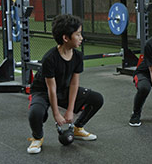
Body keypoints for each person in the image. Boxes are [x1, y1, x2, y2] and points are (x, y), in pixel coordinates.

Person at [27, 14, 104, 154]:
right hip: (43, 91)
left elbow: (74, 83)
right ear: (66, 38)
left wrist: (69, 110)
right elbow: (51, 88)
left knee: (97, 99)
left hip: (64, 89)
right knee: (35, 112)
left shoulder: (78, 56)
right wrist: (56, 114)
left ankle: (78, 128)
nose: (81, 38)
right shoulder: (50, 58)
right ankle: (37, 138)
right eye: (78, 35)